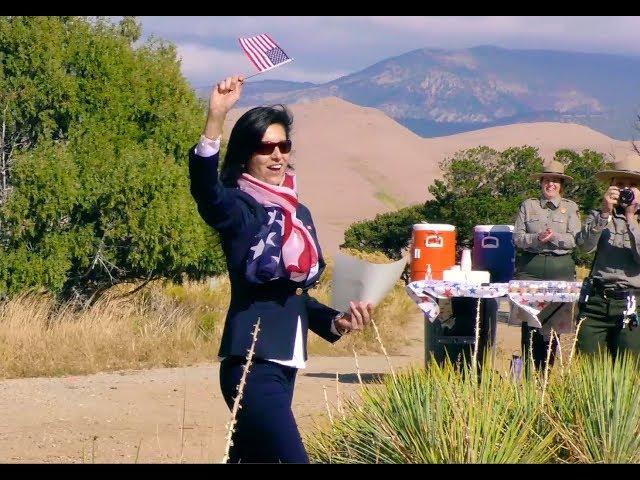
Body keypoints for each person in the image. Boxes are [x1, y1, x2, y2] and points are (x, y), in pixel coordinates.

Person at [188, 74, 373, 463]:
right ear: (246, 155)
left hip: (286, 362)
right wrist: (215, 118)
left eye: (283, 145)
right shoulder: (239, 207)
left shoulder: (297, 212)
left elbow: (294, 295)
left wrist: (337, 322)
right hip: (251, 365)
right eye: (265, 146)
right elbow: (207, 192)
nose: (276, 155)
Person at [513, 158, 581, 371]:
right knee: (529, 322)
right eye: (547, 180)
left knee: (553, 326)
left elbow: (575, 240)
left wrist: (554, 237)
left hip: (560, 267)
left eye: (556, 180)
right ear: (541, 182)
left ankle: (546, 373)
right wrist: (536, 239)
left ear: (561, 185)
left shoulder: (570, 208)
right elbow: (517, 237)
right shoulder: (528, 205)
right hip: (530, 268)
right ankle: (527, 371)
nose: (551, 184)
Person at [575, 152, 640, 358]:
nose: (625, 190)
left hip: (632, 303)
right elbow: (583, 247)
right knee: (588, 366)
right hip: (596, 301)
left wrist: (631, 218)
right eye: (620, 184)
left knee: (627, 370)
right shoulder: (599, 215)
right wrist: (604, 213)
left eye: (632, 185)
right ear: (611, 187)